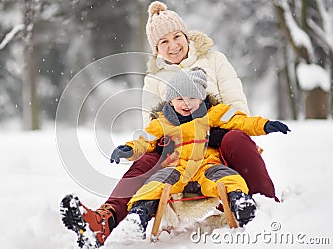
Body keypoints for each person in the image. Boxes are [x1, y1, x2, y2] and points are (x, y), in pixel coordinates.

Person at [60, 1, 280, 247]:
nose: (173, 45)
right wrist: (137, 146)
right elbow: (151, 127)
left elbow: (238, 108)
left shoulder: (215, 61)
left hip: (218, 147)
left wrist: (214, 131)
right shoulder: (154, 78)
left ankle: (264, 203)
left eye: (176, 36)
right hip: (175, 151)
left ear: (186, 35)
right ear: (156, 49)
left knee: (236, 138)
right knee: (146, 160)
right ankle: (104, 220)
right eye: (163, 41)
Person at [110, 68, 289, 240]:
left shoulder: (215, 113)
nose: (186, 103)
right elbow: (145, 140)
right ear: (170, 101)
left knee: (229, 178)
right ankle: (138, 216)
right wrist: (130, 149)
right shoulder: (162, 122)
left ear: (202, 98)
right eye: (179, 98)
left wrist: (264, 125)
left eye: (192, 98)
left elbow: (240, 122)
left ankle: (240, 202)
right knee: (153, 185)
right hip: (176, 168)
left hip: (207, 165)